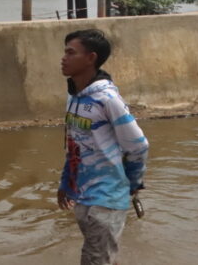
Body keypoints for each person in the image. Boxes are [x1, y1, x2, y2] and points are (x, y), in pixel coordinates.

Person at [57, 29, 149, 265]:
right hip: (83, 194)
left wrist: (131, 184)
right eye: (64, 52)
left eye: (70, 52)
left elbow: (138, 146)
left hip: (107, 198)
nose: (63, 58)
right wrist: (66, 182)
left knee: (94, 260)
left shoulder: (107, 99)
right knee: (104, 257)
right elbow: (74, 144)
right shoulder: (74, 98)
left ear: (91, 58)